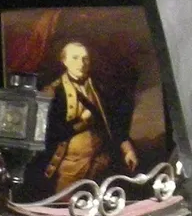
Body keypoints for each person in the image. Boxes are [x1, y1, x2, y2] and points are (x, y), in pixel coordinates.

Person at [43, 41, 137, 193]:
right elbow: (49, 133)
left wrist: (127, 149)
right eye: (75, 58)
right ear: (64, 61)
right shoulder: (53, 92)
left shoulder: (99, 86)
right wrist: (82, 121)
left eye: (85, 58)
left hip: (101, 162)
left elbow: (112, 121)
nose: (81, 63)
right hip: (70, 167)